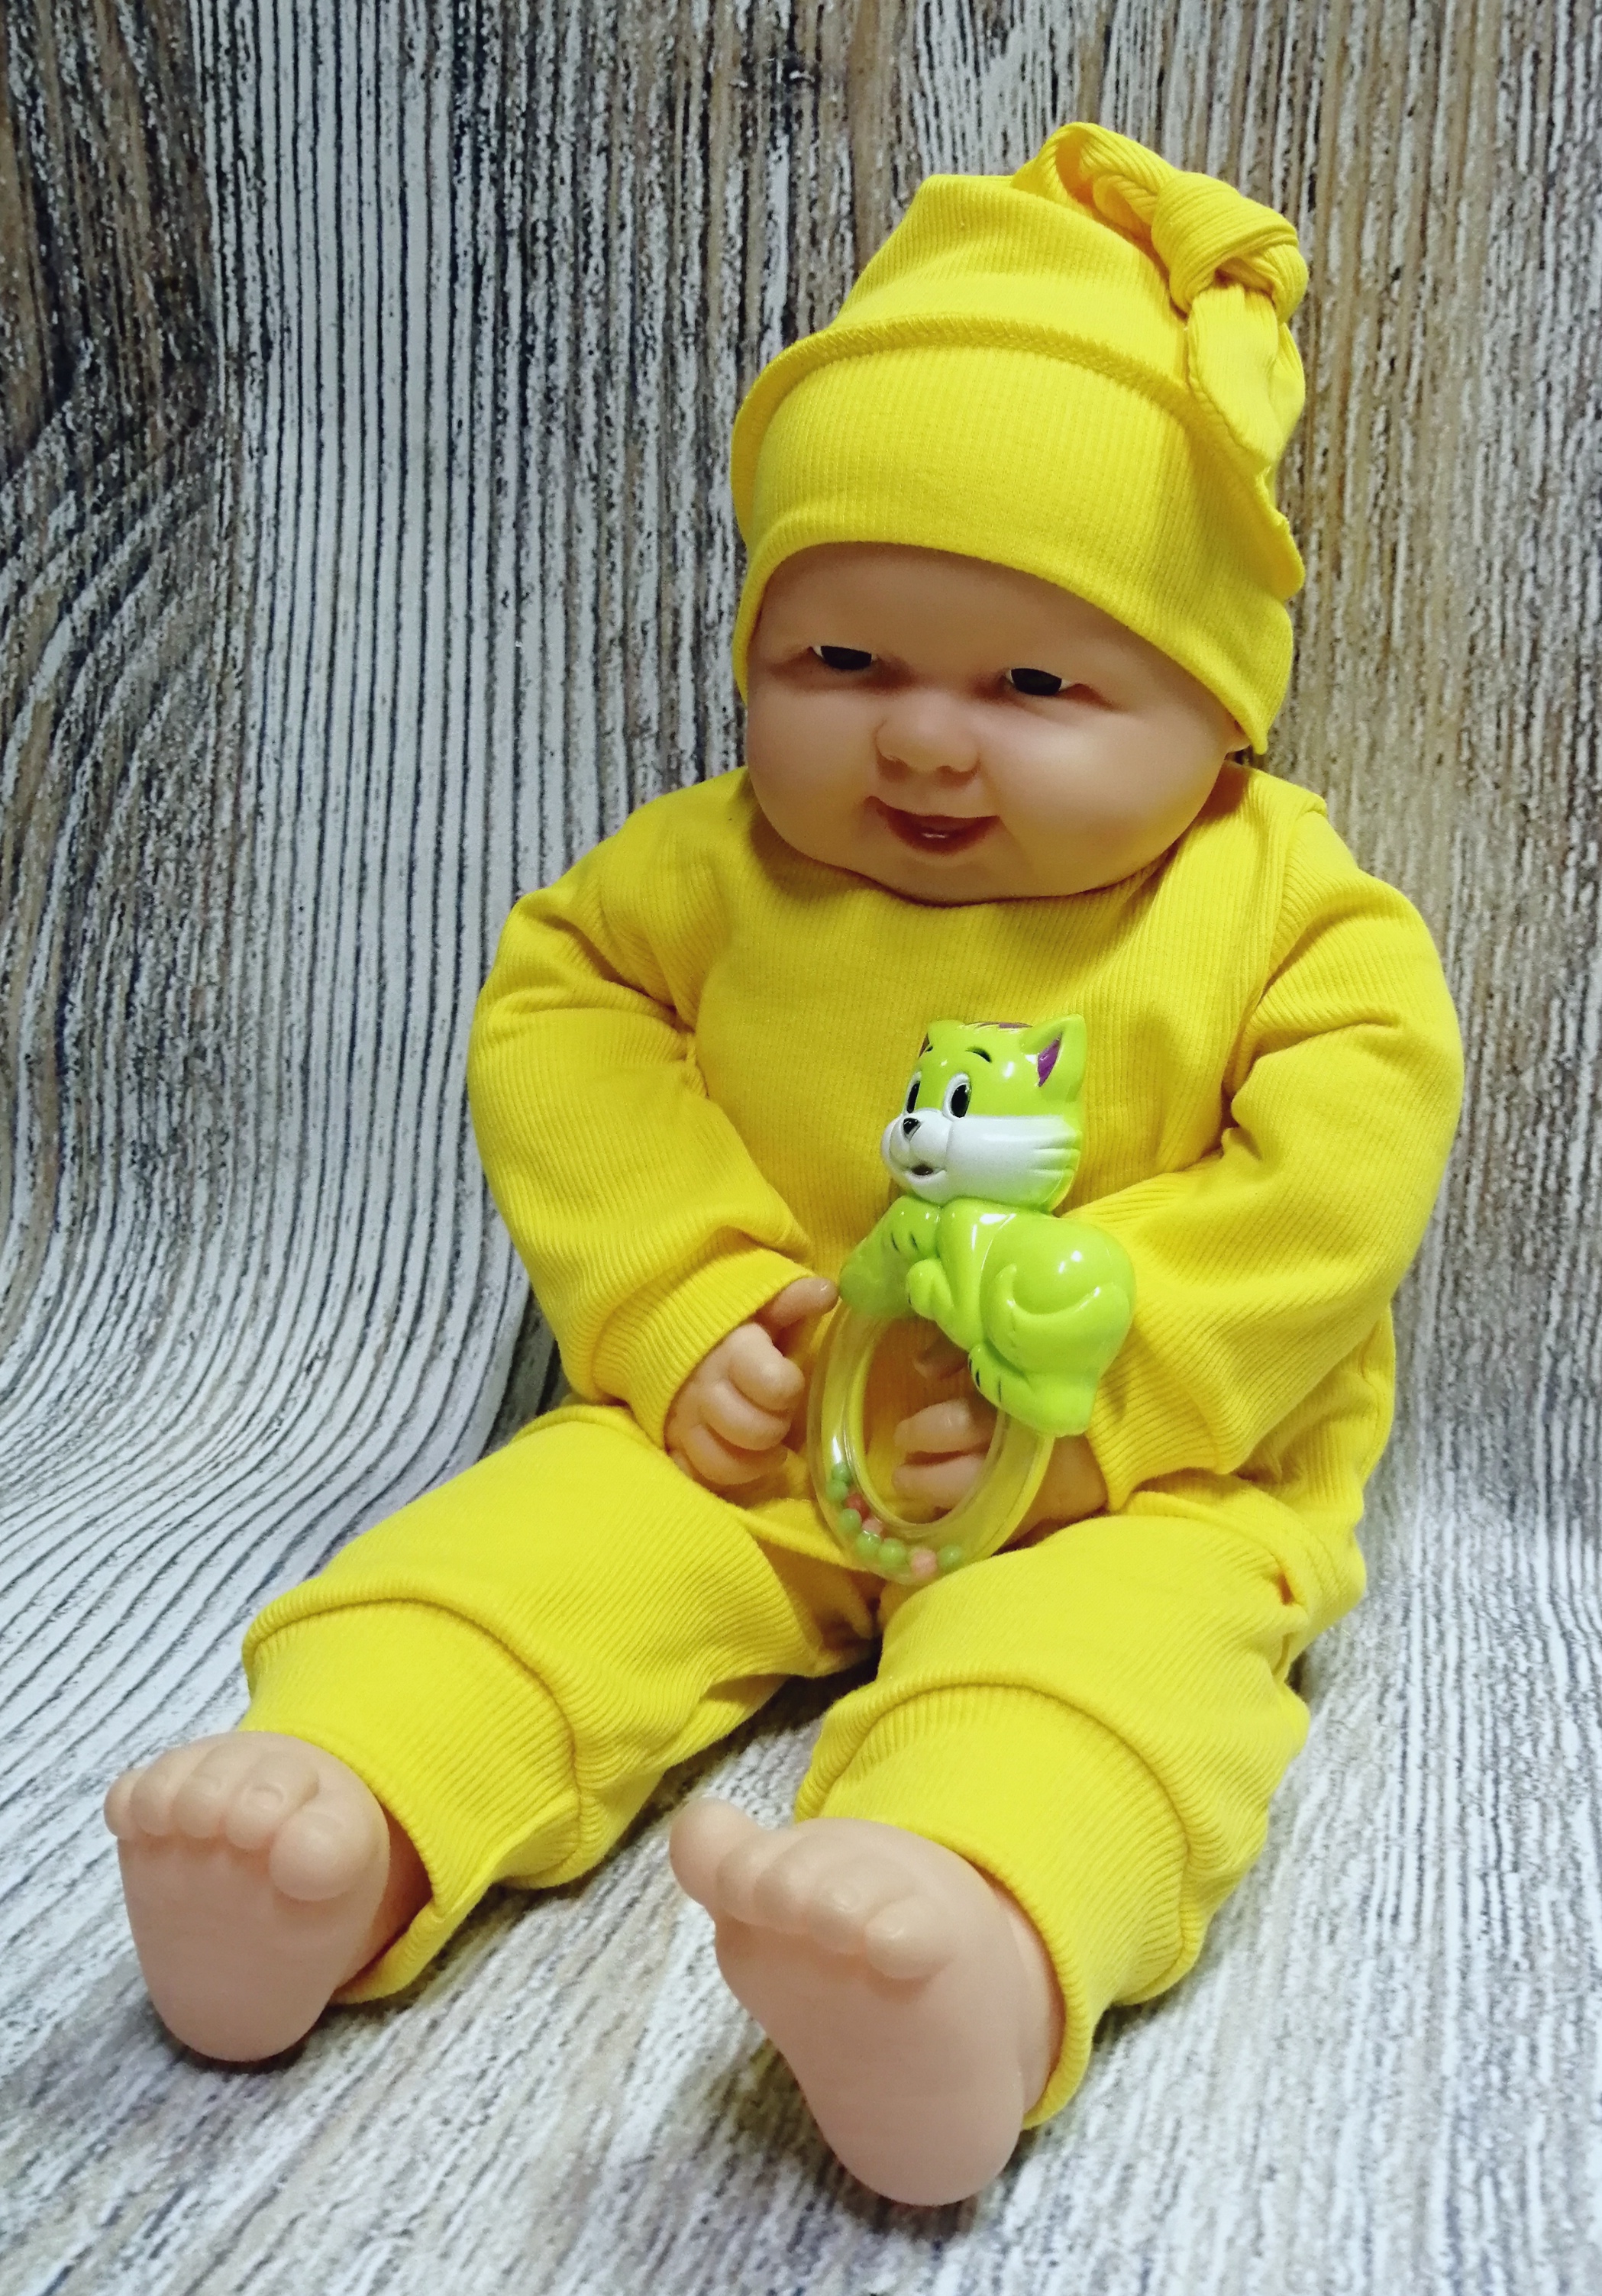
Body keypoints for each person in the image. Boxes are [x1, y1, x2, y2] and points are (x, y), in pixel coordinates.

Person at [103, 121, 1462, 2207]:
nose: (920, 737)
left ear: (1219, 709)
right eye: (840, 661)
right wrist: (687, 1296)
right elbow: (563, 1021)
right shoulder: (707, 875)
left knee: (1110, 1674)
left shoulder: (1283, 911)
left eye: (1035, 680)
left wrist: (1098, 1388)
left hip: (1131, 1480)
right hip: (753, 1419)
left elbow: (1342, 1171)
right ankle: (332, 1813)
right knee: (542, 1550)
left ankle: (959, 1937)